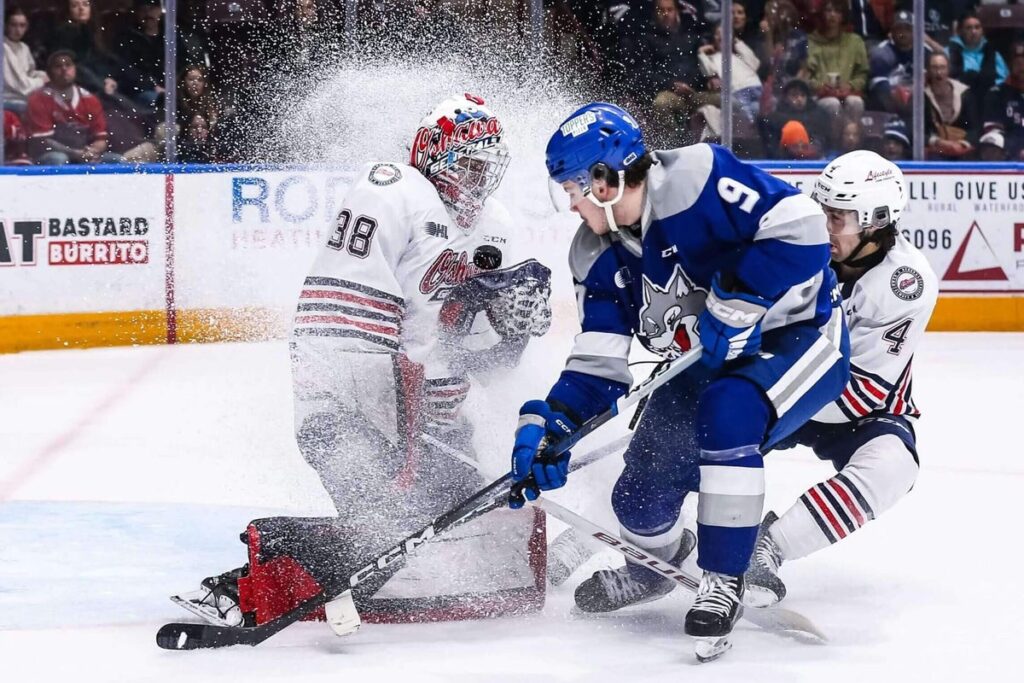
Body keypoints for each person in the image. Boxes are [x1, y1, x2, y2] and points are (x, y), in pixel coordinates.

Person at [171, 93, 554, 632]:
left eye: (486, 170)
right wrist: (464, 303)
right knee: (388, 521)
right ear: (433, 153)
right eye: (466, 166)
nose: (476, 181)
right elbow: (349, 330)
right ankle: (242, 587)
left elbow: (480, 362)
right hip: (344, 401)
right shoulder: (394, 187)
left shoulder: (493, 224)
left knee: (461, 515)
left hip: (429, 421)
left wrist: (512, 334)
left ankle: (349, 563)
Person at [511, 102, 849, 662]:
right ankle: (658, 570)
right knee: (639, 495)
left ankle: (723, 576)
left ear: (606, 179)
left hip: (798, 339)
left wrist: (743, 295)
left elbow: (804, 227)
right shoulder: (593, 253)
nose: (569, 203)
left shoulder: (696, 178)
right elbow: (598, 364)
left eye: (572, 187)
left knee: (729, 408)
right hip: (702, 364)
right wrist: (553, 425)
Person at [744, 150, 938, 606]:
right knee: (681, 433)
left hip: (851, 405)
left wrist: (763, 406)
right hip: (774, 377)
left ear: (877, 222)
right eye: (823, 211)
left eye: (840, 218)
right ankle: (613, 537)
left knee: (893, 468)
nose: (827, 227)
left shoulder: (904, 283)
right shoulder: (797, 241)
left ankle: (768, 546)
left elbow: (865, 390)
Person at [25, 50, 123, 165]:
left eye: (68, 65)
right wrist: (76, 154)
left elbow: (100, 138)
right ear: (49, 72)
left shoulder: (89, 99)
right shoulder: (38, 98)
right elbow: (42, 142)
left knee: (116, 160)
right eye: (58, 66)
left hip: (83, 154)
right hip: (50, 155)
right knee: (59, 159)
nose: (64, 69)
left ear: (75, 69)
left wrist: (92, 151)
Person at [806, 0, 868, 123]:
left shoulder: (855, 41)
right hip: (820, 96)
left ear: (843, 15)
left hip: (847, 93)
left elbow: (862, 74)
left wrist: (851, 86)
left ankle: (852, 139)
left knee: (856, 102)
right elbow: (806, 76)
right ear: (822, 14)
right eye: (828, 10)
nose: (832, 15)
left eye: (837, 11)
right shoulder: (811, 42)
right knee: (832, 104)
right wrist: (820, 86)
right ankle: (834, 141)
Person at [924, 51, 978, 160]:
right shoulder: (921, 95)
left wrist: (962, 144)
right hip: (934, 150)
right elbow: (915, 130)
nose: (939, 72)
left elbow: (975, 127)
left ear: (948, 69)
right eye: (934, 68)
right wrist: (939, 142)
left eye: (942, 67)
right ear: (928, 70)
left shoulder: (964, 93)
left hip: (962, 150)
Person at [947, 10, 1008, 95]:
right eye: (969, 28)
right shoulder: (948, 53)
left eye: (977, 27)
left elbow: (1004, 81)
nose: (973, 32)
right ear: (960, 31)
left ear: (982, 30)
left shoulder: (994, 54)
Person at [3, 5, 48, 113]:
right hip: (7, 100)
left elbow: (30, 72)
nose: (18, 30)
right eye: (13, 25)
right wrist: (41, 81)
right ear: (5, 25)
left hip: (22, 96)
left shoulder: (24, 47)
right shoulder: (4, 48)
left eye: (22, 25)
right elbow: (22, 86)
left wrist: (44, 75)